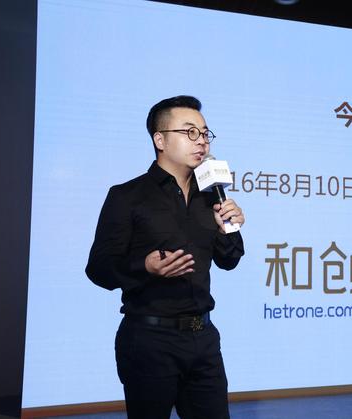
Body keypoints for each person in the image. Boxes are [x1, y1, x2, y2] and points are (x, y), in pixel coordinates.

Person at [85, 95, 245, 419]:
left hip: (204, 339)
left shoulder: (211, 196)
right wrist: (144, 267)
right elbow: (99, 269)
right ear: (160, 140)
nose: (201, 141)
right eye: (190, 132)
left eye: (205, 133)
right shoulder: (127, 196)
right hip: (149, 340)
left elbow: (229, 260)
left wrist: (228, 228)